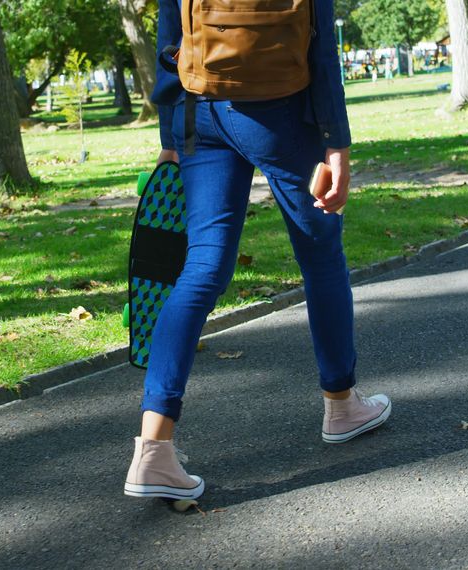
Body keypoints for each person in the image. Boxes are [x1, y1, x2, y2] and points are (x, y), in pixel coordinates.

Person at [123, 0, 392, 503]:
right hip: (280, 111)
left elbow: (168, 31)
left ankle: (153, 450)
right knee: (321, 255)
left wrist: (169, 135)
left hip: (199, 109)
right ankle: (342, 403)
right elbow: (320, 42)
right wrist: (336, 142)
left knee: (201, 267)